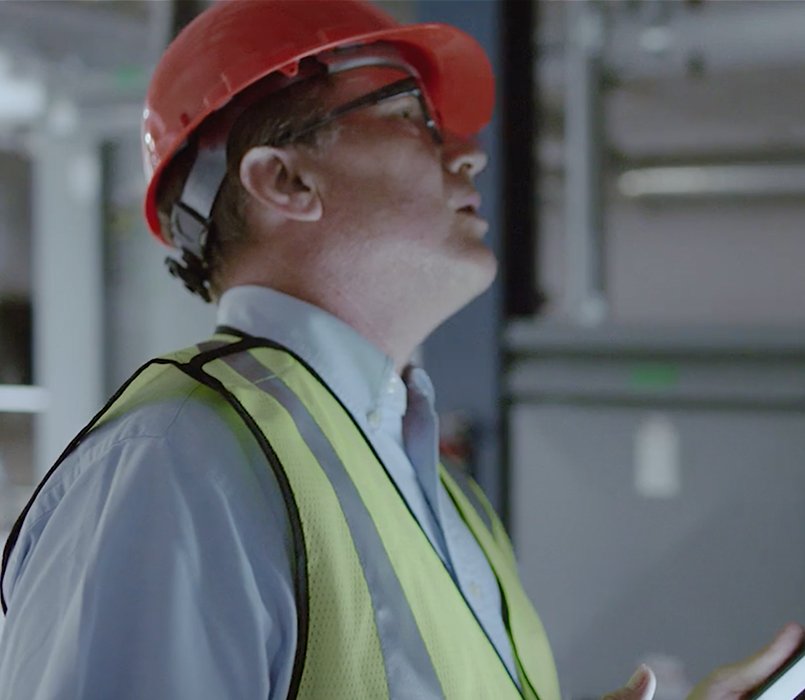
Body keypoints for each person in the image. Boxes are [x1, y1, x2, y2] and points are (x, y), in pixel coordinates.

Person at [0, 1, 801, 698]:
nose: (467, 152)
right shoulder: (179, 458)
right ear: (284, 181)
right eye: (411, 115)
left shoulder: (428, 482)